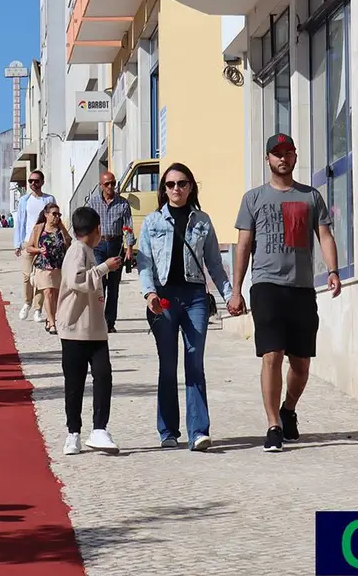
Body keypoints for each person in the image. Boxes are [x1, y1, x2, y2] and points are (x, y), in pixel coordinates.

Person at [227, 133, 341, 453]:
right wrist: (236, 291)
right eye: (277, 154)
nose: (282, 158)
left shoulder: (310, 197)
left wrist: (333, 271)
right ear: (268, 159)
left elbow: (325, 235)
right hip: (266, 286)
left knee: (301, 364)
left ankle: (289, 408)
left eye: (288, 153)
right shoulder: (253, 198)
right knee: (272, 355)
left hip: (302, 288)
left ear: (295, 156)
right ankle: (273, 424)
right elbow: (244, 246)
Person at [136, 163, 234, 452]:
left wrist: (229, 294)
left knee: (194, 362)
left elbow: (215, 263)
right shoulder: (153, 222)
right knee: (168, 364)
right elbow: (145, 263)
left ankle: (199, 431)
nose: (176, 189)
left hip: (194, 298)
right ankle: (167, 430)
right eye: (170, 184)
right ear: (163, 189)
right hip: (163, 298)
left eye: (182, 183)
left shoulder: (202, 220)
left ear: (191, 187)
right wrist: (149, 294)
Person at [57, 206, 122, 455]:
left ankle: (99, 429)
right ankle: (73, 432)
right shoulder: (77, 250)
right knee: (74, 383)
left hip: (95, 328)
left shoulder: (89, 251)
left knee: (103, 376)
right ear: (97, 230)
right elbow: (77, 280)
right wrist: (104, 268)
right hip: (75, 329)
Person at [86, 170, 134, 333]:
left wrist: (129, 248)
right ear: (101, 185)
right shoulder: (93, 203)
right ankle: (97, 320)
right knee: (99, 283)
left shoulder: (123, 203)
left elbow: (128, 226)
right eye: (107, 184)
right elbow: (87, 224)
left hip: (115, 245)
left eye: (113, 183)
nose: (110, 186)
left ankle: (110, 322)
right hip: (99, 246)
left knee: (114, 285)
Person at [13, 170, 56, 323]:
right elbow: (20, 222)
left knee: (40, 277)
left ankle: (37, 309)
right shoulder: (24, 200)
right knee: (26, 275)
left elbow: (54, 219)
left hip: (44, 242)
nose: (33, 184)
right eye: (30, 181)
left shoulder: (49, 199)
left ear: (42, 182)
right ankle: (27, 302)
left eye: (36, 181)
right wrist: (17, 244)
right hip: (28, 241)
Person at [25, 201, 71, 335]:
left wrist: (62, 227)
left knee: (55, 295)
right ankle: (52, 323)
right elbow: (29, 247)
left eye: (59, 214)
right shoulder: (39, 228)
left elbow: (68, 242)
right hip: (43, 265)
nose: (56, 217)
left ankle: (50, 319)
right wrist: (39, 250)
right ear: (46, 215)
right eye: (54, 214)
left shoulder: (61, 229)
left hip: (58, 265)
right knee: (48, 293)